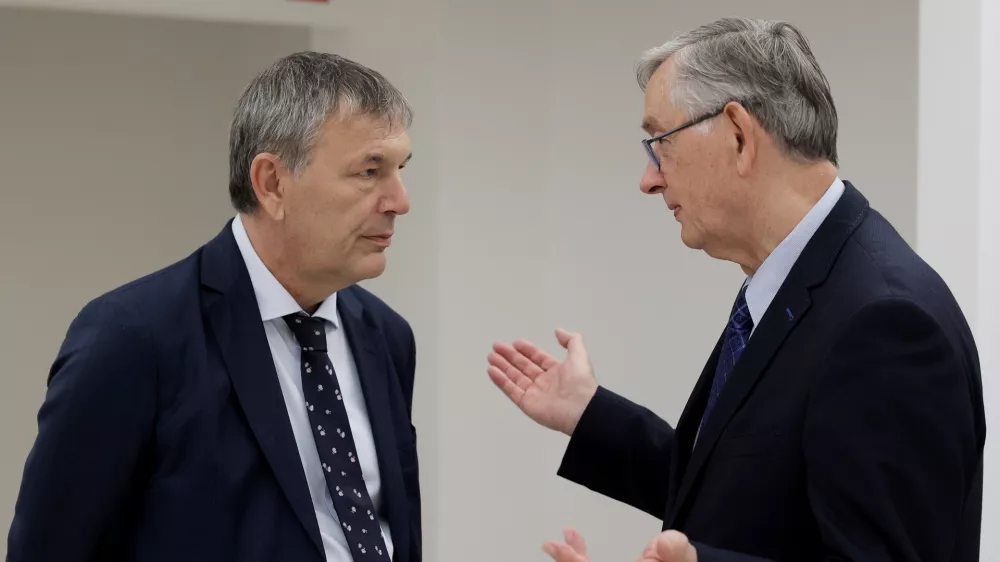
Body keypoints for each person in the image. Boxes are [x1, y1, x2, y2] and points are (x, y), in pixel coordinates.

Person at [488, 17, 985, 562]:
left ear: (739, 136)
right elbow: (745, 491)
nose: (648, 179)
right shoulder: (792, 280)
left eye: (660, 144)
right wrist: (591, 416)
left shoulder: (886, 324)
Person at [7, 52, 421, 562]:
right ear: (271, 183)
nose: (399, 201)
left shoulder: (387, 335)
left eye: (399, 169)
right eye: (369, 171)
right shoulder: (132, 337)